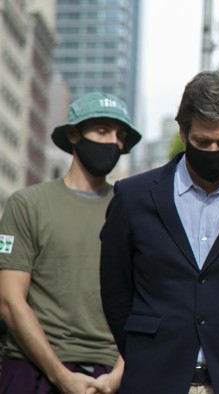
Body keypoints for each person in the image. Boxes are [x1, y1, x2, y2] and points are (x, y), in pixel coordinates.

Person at [99, 71, 219, 394]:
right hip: (152, 379)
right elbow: (116, 292)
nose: (214, 150)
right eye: (202, 141)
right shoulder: (133, 198)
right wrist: (144, 348)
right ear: (183, 131)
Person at [0, 92, 141, 393]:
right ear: (74, 134)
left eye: (120, 135)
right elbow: (10, 301)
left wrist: (119, 372)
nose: (113, 143)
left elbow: (147, 298)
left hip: (108, 377)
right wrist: (59, 375)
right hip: (33, 370)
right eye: (102, 131)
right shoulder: (28, 204)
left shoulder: (131, 208)